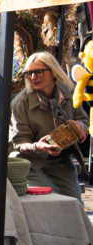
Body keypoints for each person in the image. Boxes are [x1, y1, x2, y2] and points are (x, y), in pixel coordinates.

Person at [10, 52, 88, 199]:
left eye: (38, 72)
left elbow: (83, 120)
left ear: (53, 72)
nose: (33, 77)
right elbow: (19, 142)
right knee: (48, 201)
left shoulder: (68, 93)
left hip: (63, 162)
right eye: (29, 73)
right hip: (32, 163)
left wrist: (81, 128)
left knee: (74, 204)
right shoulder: (21, 103)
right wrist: (38, 146)